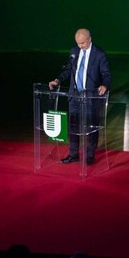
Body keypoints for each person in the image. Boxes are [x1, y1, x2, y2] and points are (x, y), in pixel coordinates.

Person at [48, 28, 112, 165]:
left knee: (90, 127)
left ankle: (90, 155)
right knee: (73, 126)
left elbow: (107, 74)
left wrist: (105, 85)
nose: (80, 46)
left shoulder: (99, 54)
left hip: (90, 97)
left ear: (89, 39)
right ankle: (73, 154)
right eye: (78, 43)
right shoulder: (74, 51)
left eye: (82, 43)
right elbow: (68, 70)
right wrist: (57, 80)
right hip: (74, 95)